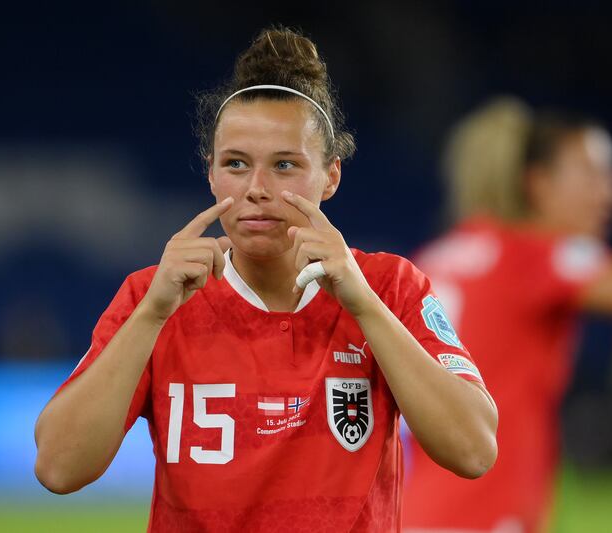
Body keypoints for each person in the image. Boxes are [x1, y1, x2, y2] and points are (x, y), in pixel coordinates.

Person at [34, 27, 497, 532]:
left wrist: (363, 305)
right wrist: (151, 315)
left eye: (284, 165)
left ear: (331, 176)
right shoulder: (154, 295)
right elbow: (59, 467)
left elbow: (473, 451)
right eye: (236, 164)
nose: (257, 189)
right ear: (210, 174)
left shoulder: (388, 287)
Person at [401, 97, 612, 533]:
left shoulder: (438, 257)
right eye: (591, 174)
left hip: (410, 510)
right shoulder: (535, 256)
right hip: (481, 514)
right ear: (537, 183)